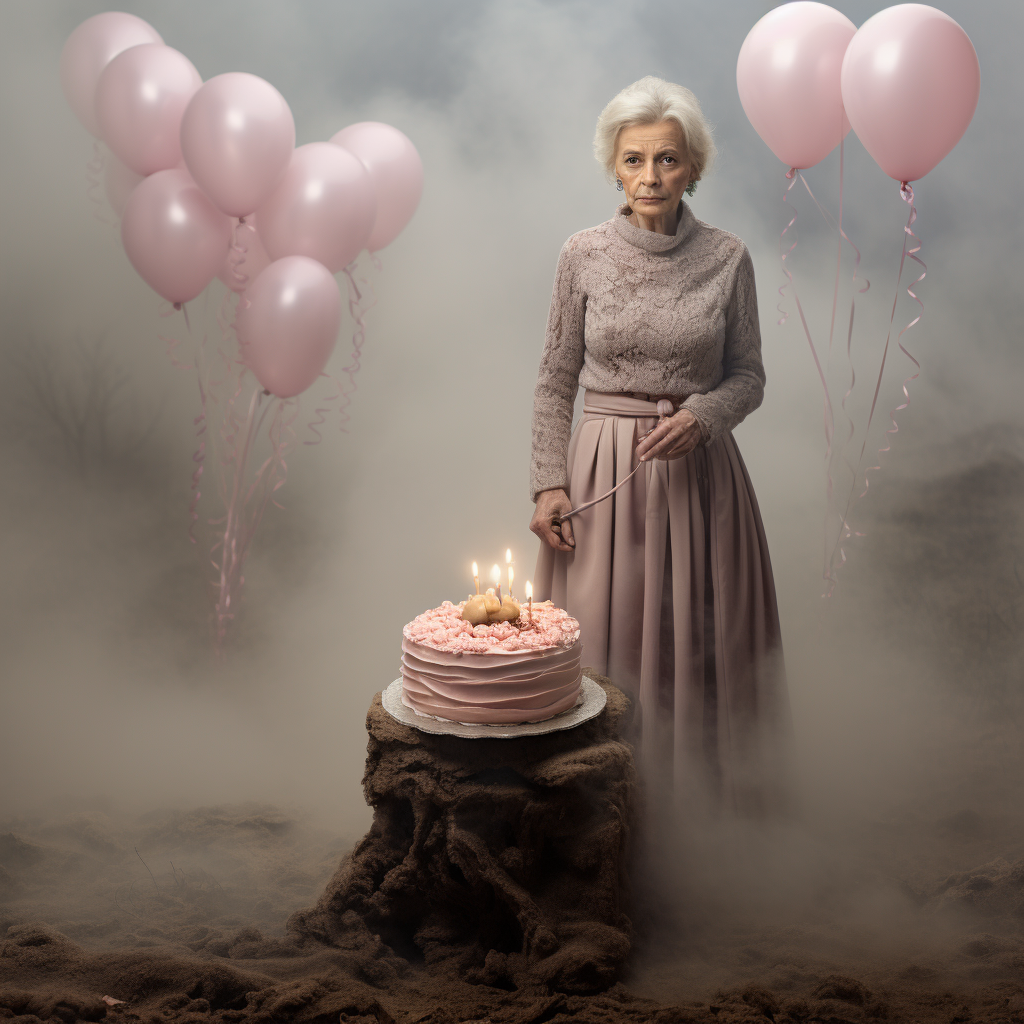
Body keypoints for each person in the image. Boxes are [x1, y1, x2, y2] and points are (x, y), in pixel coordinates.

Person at [529, 76, 790, 816]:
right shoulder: (581, 255)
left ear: (693, 168)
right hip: (601, 475)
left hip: (701, 480)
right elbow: (554, 379)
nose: (651, 176)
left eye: (668, 160)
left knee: (700, 646)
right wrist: (549, 483)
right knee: (603, 649)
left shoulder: (729, 258)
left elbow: (749, 376)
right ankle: (591, 818)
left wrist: (706, 416)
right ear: (614, 166)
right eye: (636, 159)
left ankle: (703, 824)